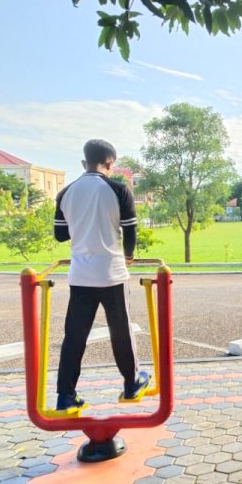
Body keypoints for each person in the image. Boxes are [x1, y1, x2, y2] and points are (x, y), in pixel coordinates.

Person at [53, 139, 149, 411]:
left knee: (74, 336)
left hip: (80, 275)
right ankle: (131, 384)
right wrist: (128, 256)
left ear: (83, 163)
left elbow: (61, 234)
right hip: (111, 274)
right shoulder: (119, 189)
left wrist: (83, 223)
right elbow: (130, 231)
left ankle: (65, 395)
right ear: (111, 164)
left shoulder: (66, 192)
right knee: (121, 331)